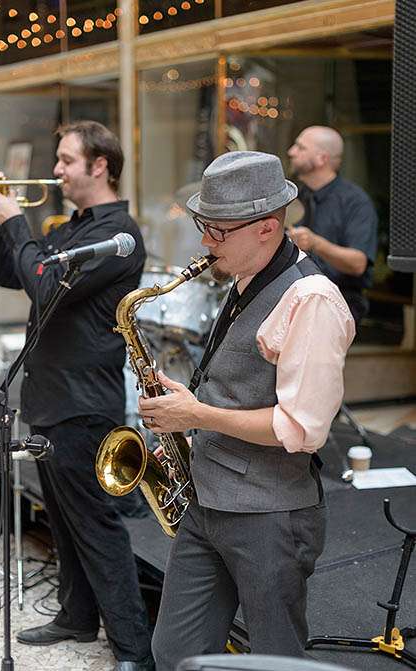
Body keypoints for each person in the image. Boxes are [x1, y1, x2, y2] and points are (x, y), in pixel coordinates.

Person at [144, 151, 354, 670]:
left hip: (271, 515)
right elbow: (237, 388)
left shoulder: (312, 300)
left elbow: (300, 430)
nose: (205, 243)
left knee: (276, 661)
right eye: (203, 226)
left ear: (267, 227)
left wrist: (198, 417)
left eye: (217, 231)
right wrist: (189, 425)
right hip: (207, 502)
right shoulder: (242, 281)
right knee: (173, 651)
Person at [0, 120, 152, 667]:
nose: (56, 170)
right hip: (52, 394)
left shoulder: (118, 237)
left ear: (99, 166)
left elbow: (47, 284)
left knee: (96, 523)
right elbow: (14, 273)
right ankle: (77, 617)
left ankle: (134, 651)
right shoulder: (71, 226)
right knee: (62, 519)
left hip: (83, 400)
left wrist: (17, 221)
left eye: (66, 160)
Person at [287, 125, 378, 324]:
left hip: (337, 303)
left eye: (300, 148)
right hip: (293, 298)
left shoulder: (355, 201)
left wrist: (316, 243)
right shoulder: (295, 197)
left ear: (322, 159)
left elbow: (358, 264)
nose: (291, 152)